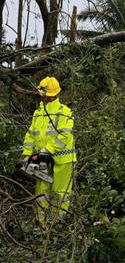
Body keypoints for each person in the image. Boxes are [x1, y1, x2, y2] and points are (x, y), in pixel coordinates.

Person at [21, 76, 76, 229]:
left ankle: (57, 226)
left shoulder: (65, 112)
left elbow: (65, 135)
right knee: (41, 192)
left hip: (62, 161)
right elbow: (31, 134)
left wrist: (48, 150)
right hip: (42, 160)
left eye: (46, 95)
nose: (44, 98)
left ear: (54, 94)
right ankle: (41, 225)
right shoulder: (38, 113)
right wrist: (27, 154)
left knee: (60, 193)